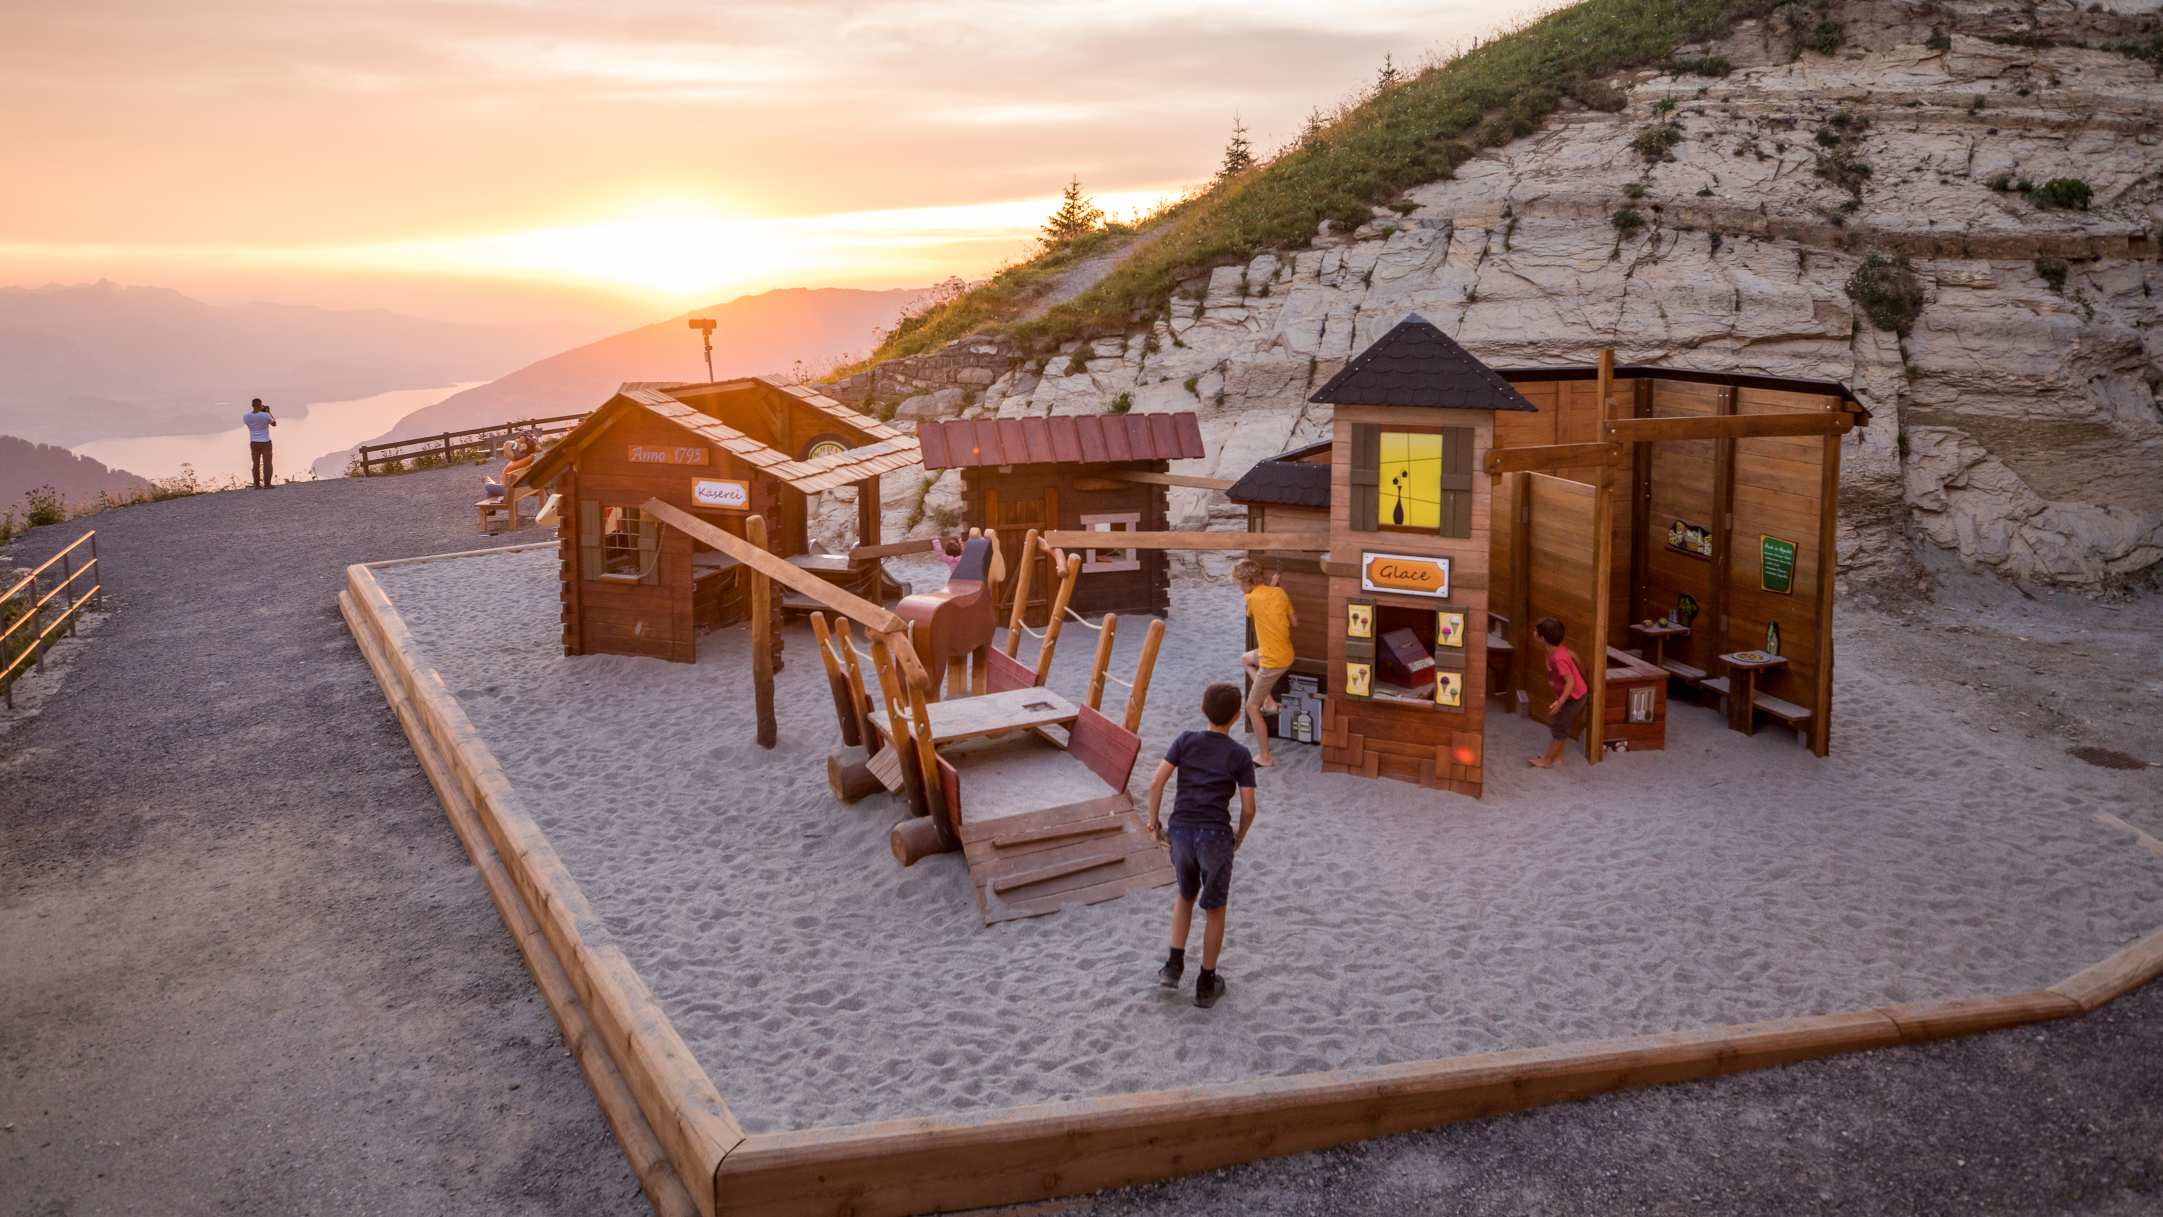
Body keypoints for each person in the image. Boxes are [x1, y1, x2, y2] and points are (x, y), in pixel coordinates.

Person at [1145, 682, 1258, 1009]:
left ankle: (1173, 965)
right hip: (1214, 836)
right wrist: (1240, 835)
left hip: (1181, 831)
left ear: (1202, 709)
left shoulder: (1185, 740)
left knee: (1185, 895)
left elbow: (1156, 782)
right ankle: (1206, 982)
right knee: (1215, 908)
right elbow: (1249, 807)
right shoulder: (1238, 754)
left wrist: (1154, 822)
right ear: (1237, 716)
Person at [1234, 559, 1296, 768]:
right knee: (1246, 659)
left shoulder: (1251, 599)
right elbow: (1294, 622)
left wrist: (1264, 588)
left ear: (1248, 582)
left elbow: (1255, 603)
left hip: (1272, 661)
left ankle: (1265, 757)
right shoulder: (1279, 593)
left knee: (1251, 707)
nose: (1240, 589)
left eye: (1240, 584)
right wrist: (1274, 586)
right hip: (1286, 653)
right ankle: (1269, 702)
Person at [1532, 615, 1589, 769]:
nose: (1533, 633)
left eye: (1536, 631)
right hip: (1570, 696)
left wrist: (1560, 702)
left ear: (1542, 637)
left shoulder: (1558, 658)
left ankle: (1547, 761)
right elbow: (1573, 656)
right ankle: (1557, 757)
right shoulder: (1557, 650)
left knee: (1559, 728)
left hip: (1574, 698)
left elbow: (1570, 682)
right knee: (1559, 724)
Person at [242, 398, 277, 488]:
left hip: (254, 442)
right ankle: (267, 484)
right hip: (266, 442)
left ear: (252, 405)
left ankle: (257, 485)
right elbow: (274, 424)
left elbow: (250, 424)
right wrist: (268, 412)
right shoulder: (265, 415)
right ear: (261, 405)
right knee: (267, 463)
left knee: (255, 464)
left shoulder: (246, 416)